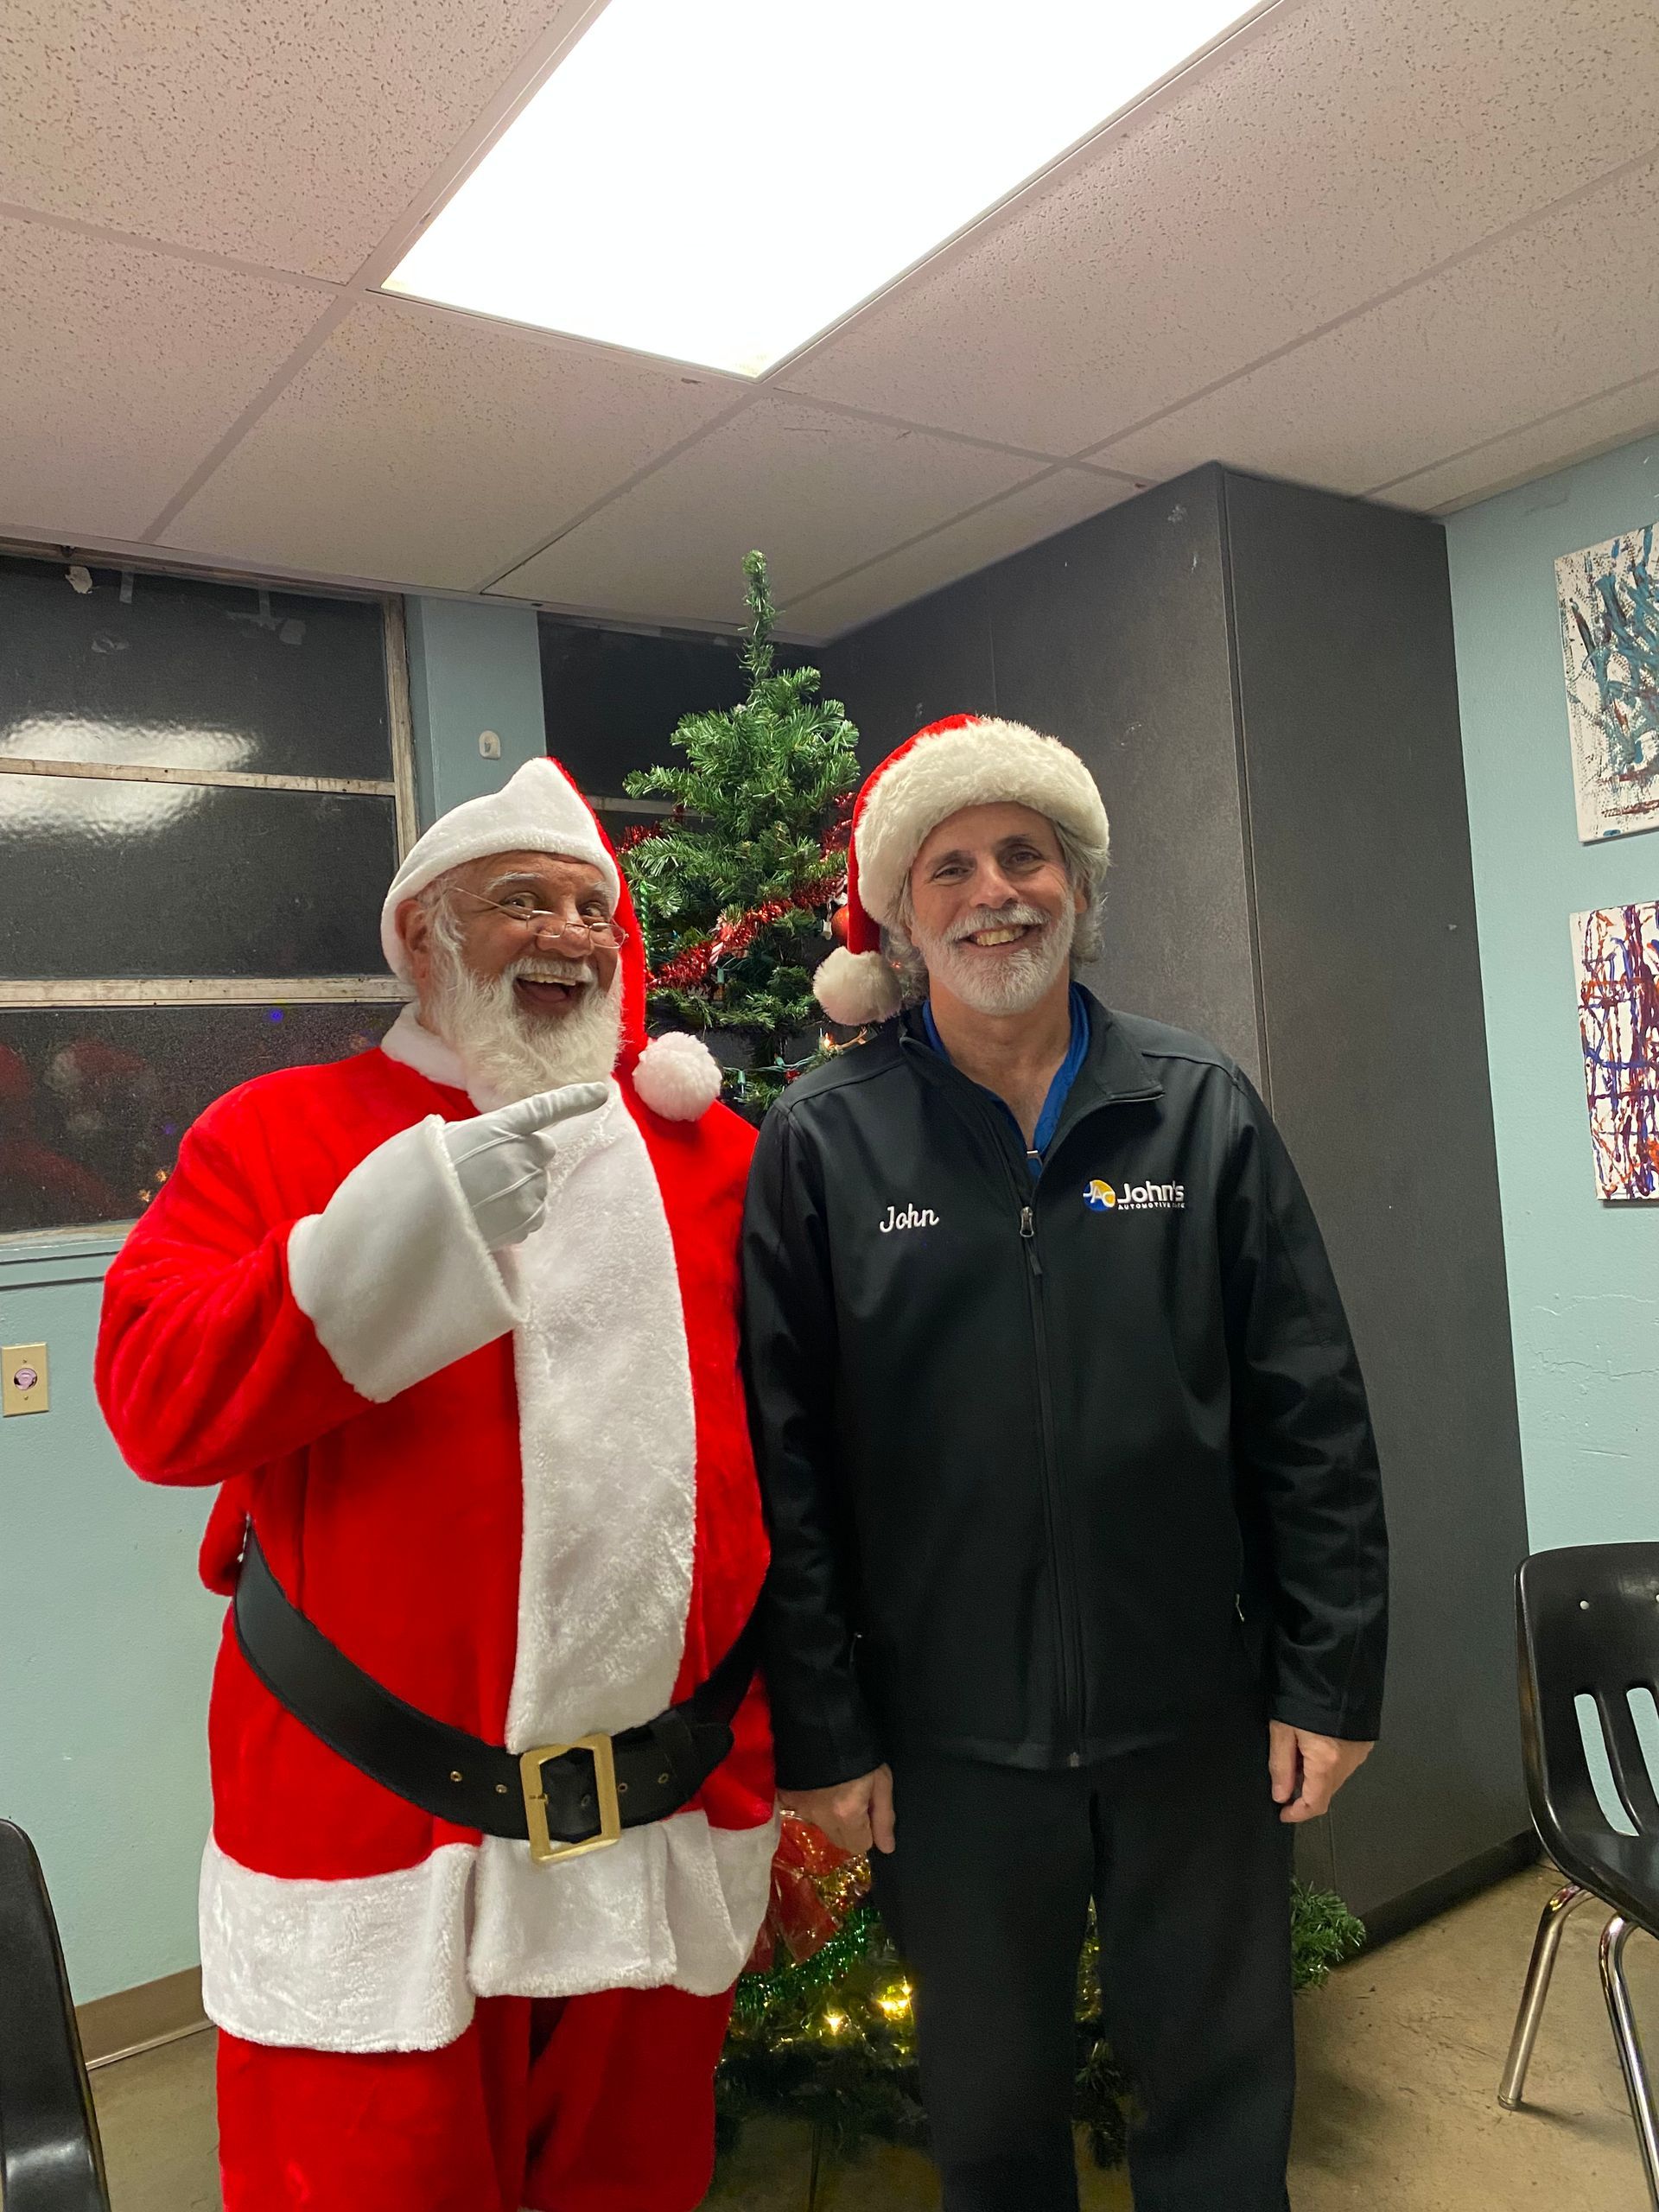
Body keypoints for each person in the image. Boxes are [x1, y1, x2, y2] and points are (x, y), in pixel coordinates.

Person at [97, 757, 777, 2212]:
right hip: (378, 1836)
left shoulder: (714, 1157)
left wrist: (770, 1755)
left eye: (594, 904)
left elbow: (776, 1476)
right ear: (421, 939)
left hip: (659, 1832)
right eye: (519, 901)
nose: (571, 933)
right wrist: (399, 1235)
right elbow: (156, 1403)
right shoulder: (277, 1132)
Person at [742, 714, 1389, 2212]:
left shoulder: (1198, 1106)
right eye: (951, 867)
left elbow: (1313, 1411)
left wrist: (1328, 1678)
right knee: (988, 2126)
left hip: (1198, 1726)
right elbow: (786, 1467)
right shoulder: (824, 1145)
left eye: (1025, 856)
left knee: (1223, 2112)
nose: (995, 893)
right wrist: (826, 1733)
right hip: (949, 1748)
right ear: (903, 918)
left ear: (1079, 887)